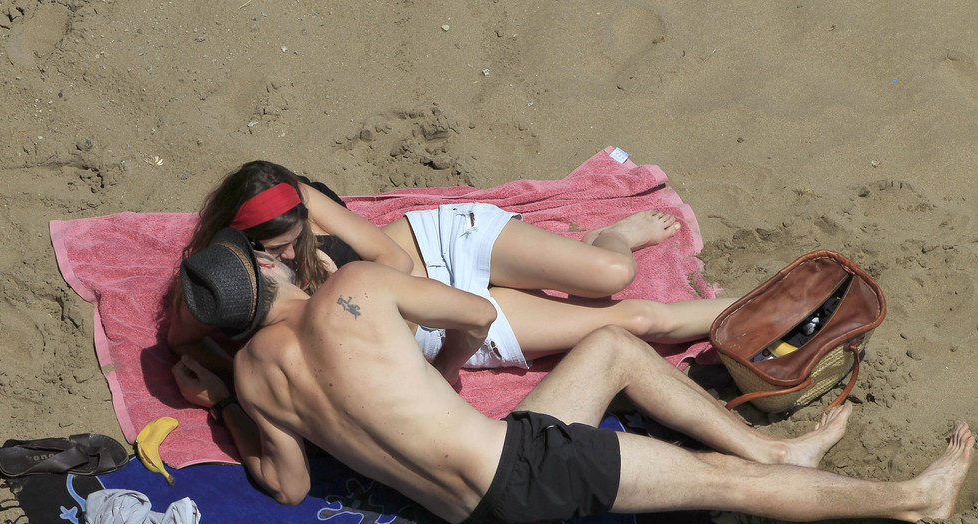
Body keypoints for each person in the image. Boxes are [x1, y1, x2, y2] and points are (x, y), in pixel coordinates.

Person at [171, 229, 973, 524]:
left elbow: (286, 485)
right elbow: (476, 317)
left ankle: (779, 448)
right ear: (271, 265)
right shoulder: (359, 288)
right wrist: (441, 377)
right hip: (524, 477)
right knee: (726, 484)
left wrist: (224, 408)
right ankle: (911, 497)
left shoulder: (250, 377)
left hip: (470, 502)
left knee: (611, 346)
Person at [167, 160, 734, 375]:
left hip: (440, 246)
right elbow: (181, 339)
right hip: (432, 315)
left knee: (613, 274)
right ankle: (767, 313)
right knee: (634, 321)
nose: (292, 255)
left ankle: (610, 237)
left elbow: (391, 258)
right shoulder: (225, 275)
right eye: (278, 251)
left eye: (297, 241)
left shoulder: (304, 207)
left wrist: (323, 241)